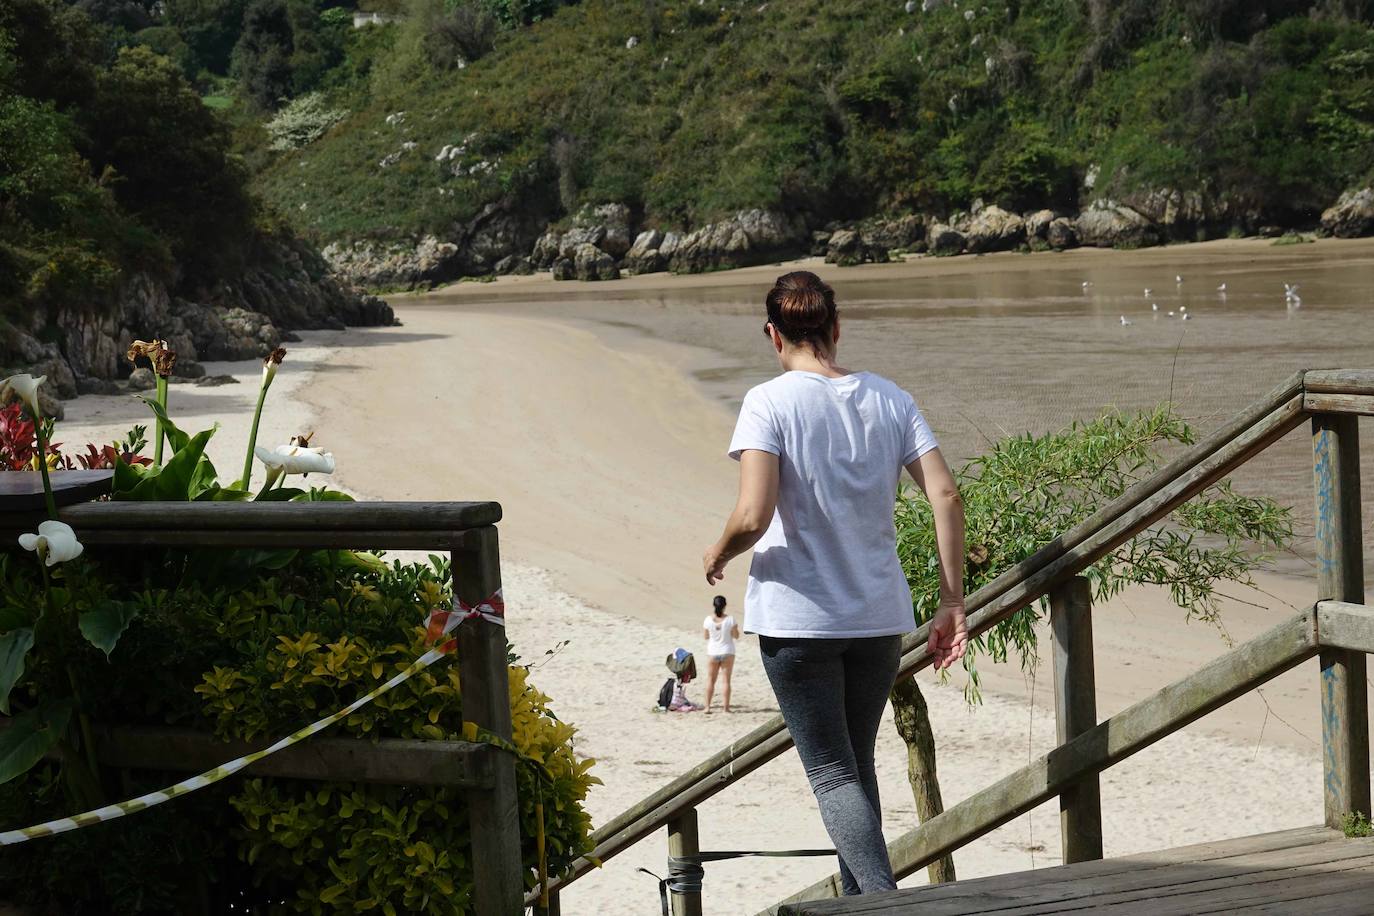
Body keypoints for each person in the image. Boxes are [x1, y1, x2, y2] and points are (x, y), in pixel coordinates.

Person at [701, 270, 968, 897]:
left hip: (799, 621)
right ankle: (864, 903)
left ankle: (880, 902)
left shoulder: (768, 402)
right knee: (856, 765)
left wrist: (719, 550)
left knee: (829, 771)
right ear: (836, 329)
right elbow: (947, 495)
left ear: (773, 336)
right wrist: (952, 601)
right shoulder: (891, 398)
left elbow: (753, 516)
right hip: (878, 619)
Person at [702, 595, 740, 712]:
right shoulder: (730, 620)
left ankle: (707, 707)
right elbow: (736, 636)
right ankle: (726, 708)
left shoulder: (708, 620)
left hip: (713, 651)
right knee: (726, 680)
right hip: (727, 651)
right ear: (725, 606)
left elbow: (706, 636)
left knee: (710, 680)